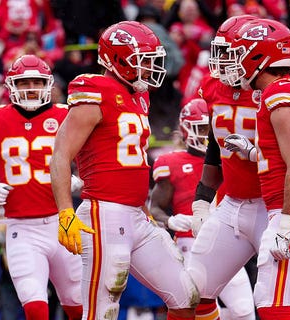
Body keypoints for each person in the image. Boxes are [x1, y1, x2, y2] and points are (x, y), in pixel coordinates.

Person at [49, 21, 198, 320]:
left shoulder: (140, 95)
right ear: (116, 59)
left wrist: (142, 206)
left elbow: (131, 161)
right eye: (141, 61)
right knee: (102, 312)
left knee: (185, 296)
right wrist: (65, 212)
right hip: (103, 214)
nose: (148, 68)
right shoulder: (94, 90)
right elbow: (60, 155)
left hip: (136, 214)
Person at [223, 18, 290, 319]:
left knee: (272, 307)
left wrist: (286, 226)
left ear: (259, 56)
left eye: (241, 53)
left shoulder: (281, 94)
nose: (236, 62)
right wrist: (253, 152)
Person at [0, 54, 83, 320]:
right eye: (24, 82)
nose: (30, 87)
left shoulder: (67, 115)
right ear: (11, 86)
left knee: (78, 307)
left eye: (37, 81)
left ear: (48, 84)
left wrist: (78, 178)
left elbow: (93, 159)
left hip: (62, 223)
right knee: (34, 307)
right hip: (22, 228)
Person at [185, 14, 263, 320]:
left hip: (275, 205)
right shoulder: (213, 87)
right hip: (233, 204)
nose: (222, 62)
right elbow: (215, 147)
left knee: (276, 305)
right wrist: (202, 201)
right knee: (193, 289)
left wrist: (256, 153)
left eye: (231, 54)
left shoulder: (279, 90)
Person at [150, 97, 255, 319]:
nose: (206, 134)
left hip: (226, 240)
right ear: (185, 129)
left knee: (243, 310)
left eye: (209, 128)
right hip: (189, 241)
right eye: (201, 128)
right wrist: (170, 221)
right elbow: (155, 207)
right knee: (196, 306)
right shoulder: (172, 162)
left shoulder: (230, 158)